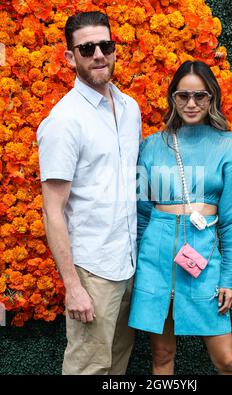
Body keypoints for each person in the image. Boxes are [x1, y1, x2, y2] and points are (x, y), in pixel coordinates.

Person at [128, 60, 232, 375]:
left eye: (200, 96)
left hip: (203, 258)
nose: (191, 104)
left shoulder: (229, 146)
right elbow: (139, 214)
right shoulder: (152, 146)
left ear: (212, 98)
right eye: (183, 96)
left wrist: (231, 279)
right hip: (156, 257)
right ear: (172, 98)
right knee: (162, 356)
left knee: (227, 361)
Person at [37, 11, 141, 375]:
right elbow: (53, 211)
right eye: (87, 48)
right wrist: (73, 287)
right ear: (70, 57)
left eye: (106, 45)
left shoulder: (131, 109)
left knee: (116, 366)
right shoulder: (64, 121)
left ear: (115, 50)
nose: (98, 54)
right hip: (92, 270)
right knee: (88, 369)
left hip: (129, 264)